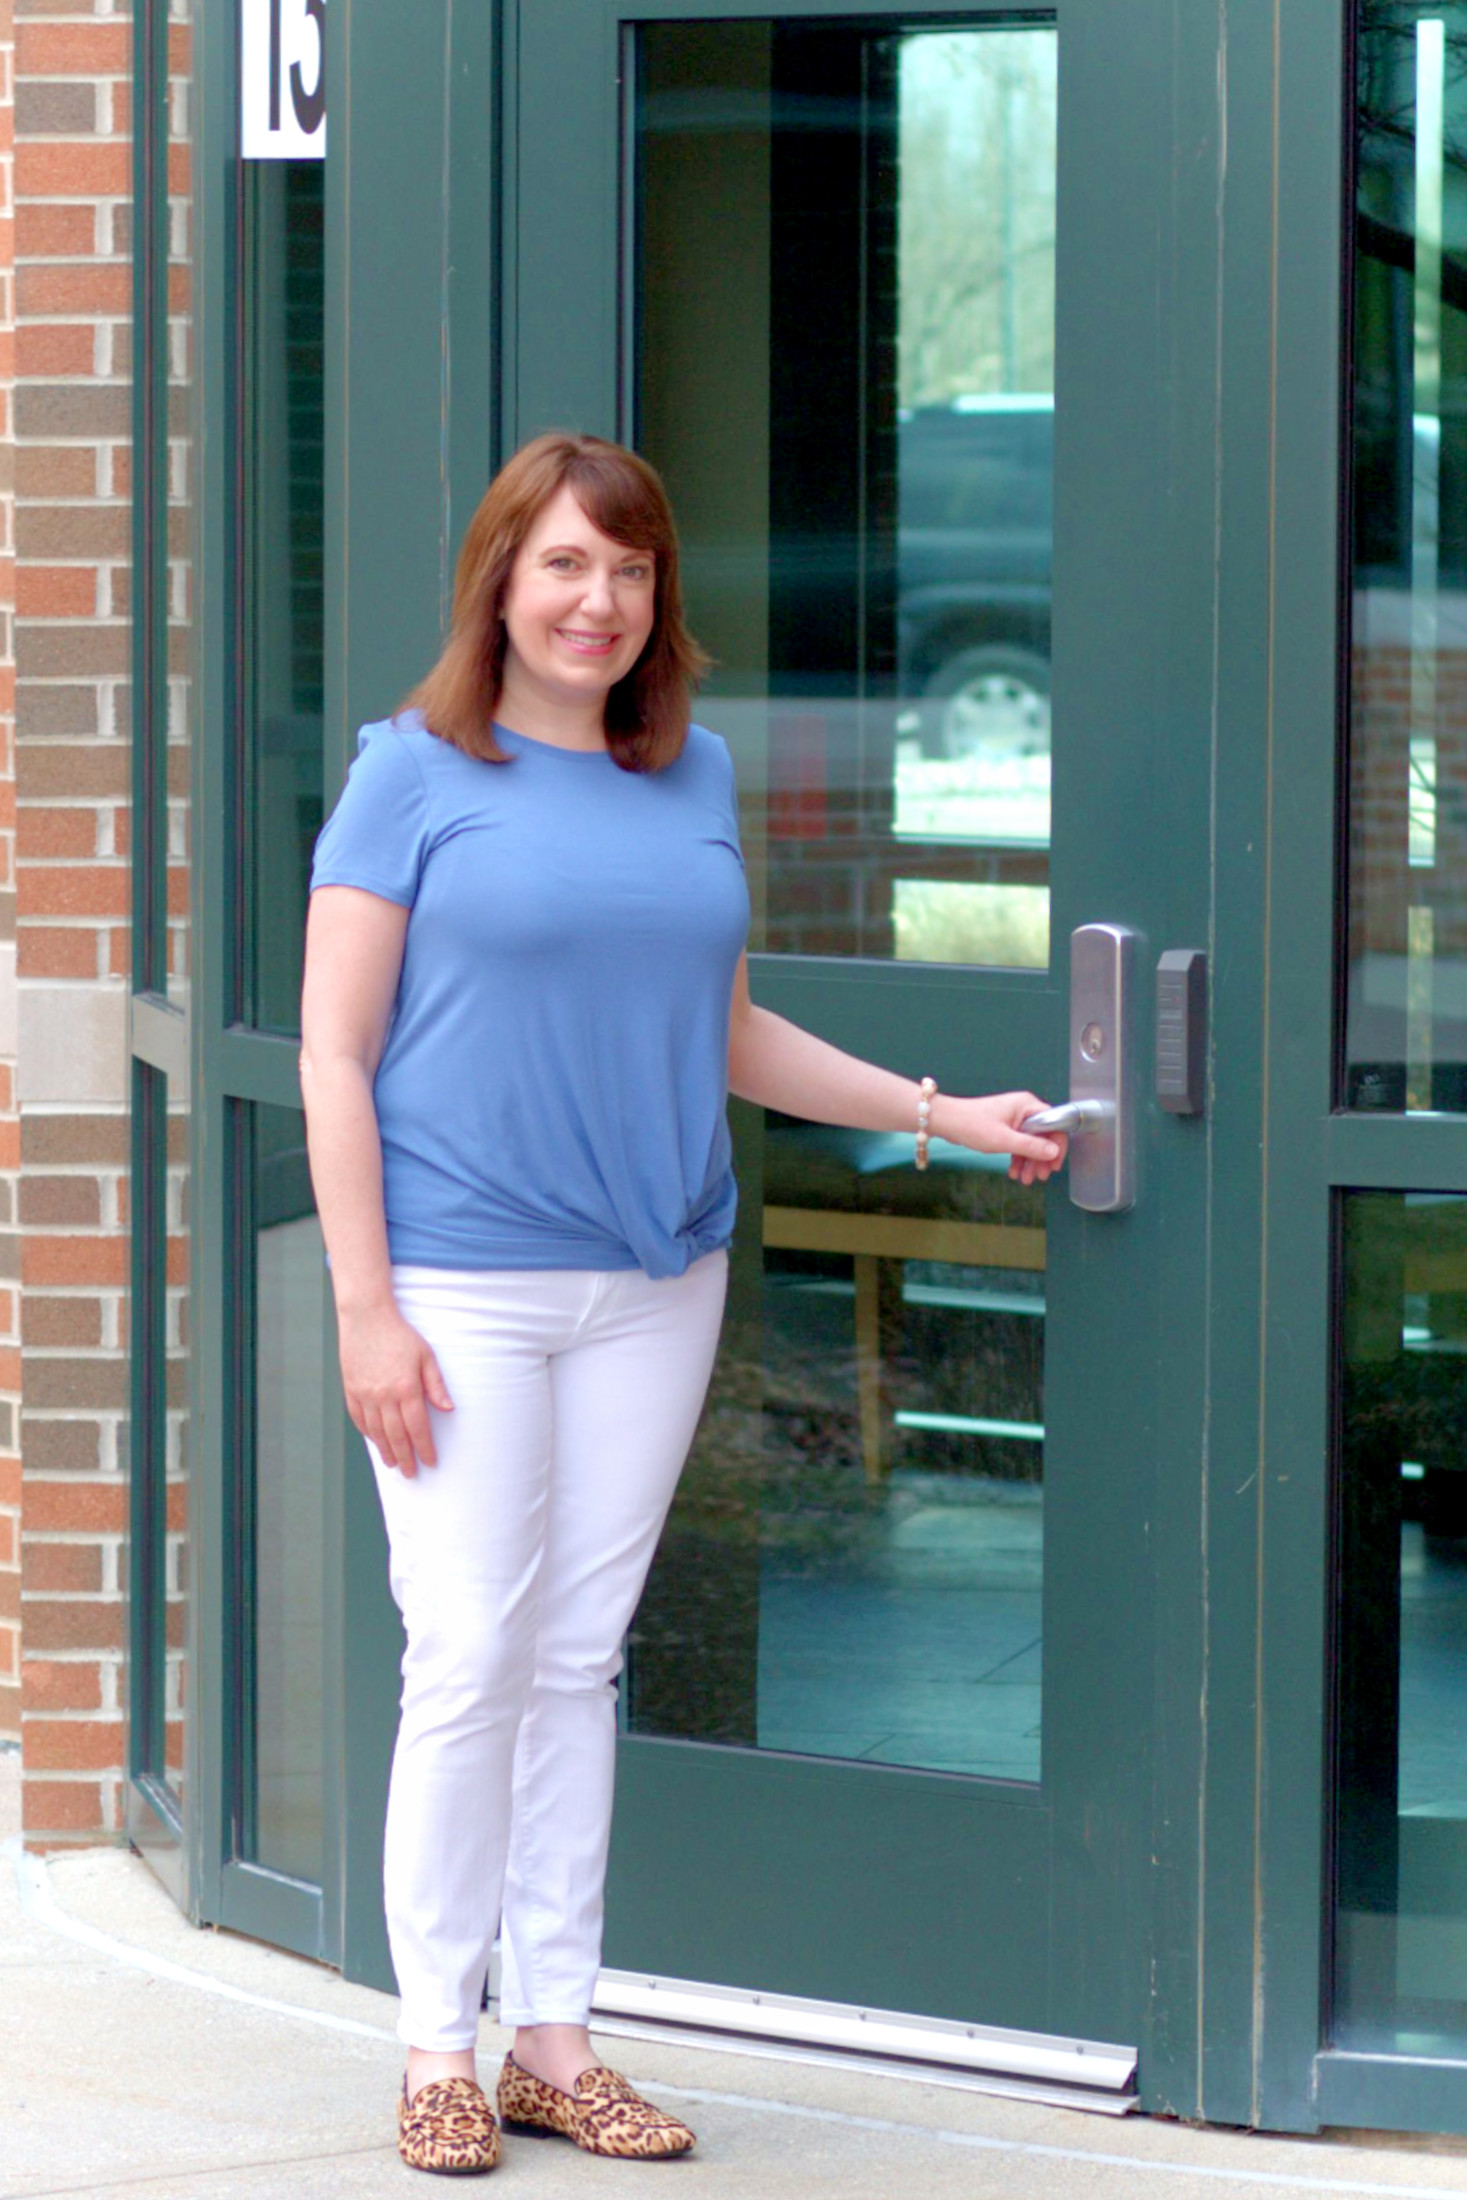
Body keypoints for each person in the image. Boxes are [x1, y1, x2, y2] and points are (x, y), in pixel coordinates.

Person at [300, 432, 1067, 2176]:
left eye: (631, 570)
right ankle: (437, 2041)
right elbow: (336, 1057)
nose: (600, 600)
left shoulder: (692, 774)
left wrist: (947, 1114)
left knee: (575, 1659)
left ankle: (555, 2039)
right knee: (471, 1653)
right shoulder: (412, 774)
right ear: (500, 576)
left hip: (660, 1277)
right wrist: (365, 1308)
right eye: (565, 564)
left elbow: (726, 1030)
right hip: (460, 1282)